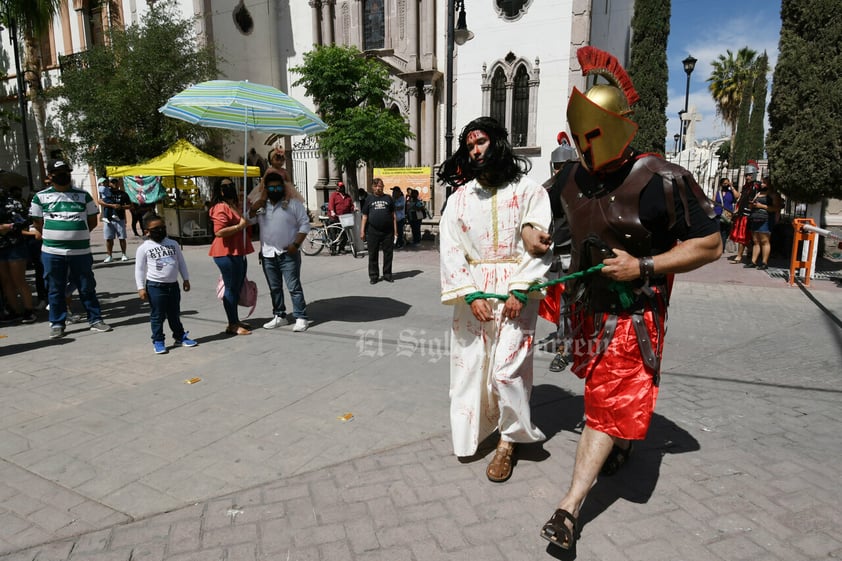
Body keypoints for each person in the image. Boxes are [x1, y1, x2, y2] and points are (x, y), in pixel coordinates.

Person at [523, 47, 720, 551]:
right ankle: (623, 441)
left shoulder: (661, 178)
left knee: (604, 406)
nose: (585, 151)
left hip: (634, 316)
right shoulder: (570, 176)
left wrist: (645, 265)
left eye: (592, 137)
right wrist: (531, 231)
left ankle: (568, 511)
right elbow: (536, 210)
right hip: (584, 310)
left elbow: (711, 244)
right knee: (605, 399)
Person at [438, 116, 552, 484]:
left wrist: (521, 288)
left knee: (506, 370)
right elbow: (451, 248)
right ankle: (476, 430)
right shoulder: (459, 199)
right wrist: (470, 294)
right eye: (470, 146)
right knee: (471, 367)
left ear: (498, 143)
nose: (475, 150)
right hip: (474, 292)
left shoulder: (531, 191)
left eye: (481, 142)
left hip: (519, 289)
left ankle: (509, 440)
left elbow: (540, 243)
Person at [29, 159, 112, 339]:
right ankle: (57, 323)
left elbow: (92, 221)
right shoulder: (40, 197)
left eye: (66, 172)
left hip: (80, 251)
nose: (63, 176)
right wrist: (56, 235)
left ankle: (95, 319)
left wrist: (76, 234)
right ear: (50, 176)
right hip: (52, 252)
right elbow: (37, 222)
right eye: (59, 173)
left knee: (86, 286)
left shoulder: (84, 195)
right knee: (55, 288)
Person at [249, 168, 311, 332]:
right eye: (271, 188)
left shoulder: (293, 204)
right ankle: (279, 315)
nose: (275, 190)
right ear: (266, 189)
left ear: (283, 187)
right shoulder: (262, 206)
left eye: (278, 187)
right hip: (268, 254)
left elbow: (305, 224)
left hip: (288, 253)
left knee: (293, 287)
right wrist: (258, 203)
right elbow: (248, 219)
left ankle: (301, 317)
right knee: (274, 288)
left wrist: (296, 245)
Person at [134, 213, 197, 354]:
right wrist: (140, 288)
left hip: (173, 286)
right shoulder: (144, 248)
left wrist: (185, 279)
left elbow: (181, 262)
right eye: (156, 228)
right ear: (147, 232)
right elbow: (139, 269)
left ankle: (180, 336)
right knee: (158, 315)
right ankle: (158, 340)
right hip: (155, 286)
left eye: (162, 227)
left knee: (174, 313)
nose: (161, 230)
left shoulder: (173, 244)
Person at [208, 177, 254, 335]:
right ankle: (232, 323)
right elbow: (219, 232)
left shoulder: (233, 205)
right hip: (226, 252)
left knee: (237, 286)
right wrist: (239, 226)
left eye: (231, 185)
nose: (229, 188)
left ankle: (234, 320)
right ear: (219, 190)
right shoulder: (220, 207)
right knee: (231, 287)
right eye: (225, 186)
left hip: (238, 250)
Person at [0, 185, 37, 324]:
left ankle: (29, 310)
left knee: (19, 280)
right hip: (1, 247)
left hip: (15, 245)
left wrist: (9, 227)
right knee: (5, 281)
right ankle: (15, 311)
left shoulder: (13, 203)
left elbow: (25, 221)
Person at [360, 178, 396, 284]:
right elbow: (365, 216)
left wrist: (396, 231)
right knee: (373, 254)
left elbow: (393, 216)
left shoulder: (388, 198)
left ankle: (387, 274)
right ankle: (374, 275)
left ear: (383, 186)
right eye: (375, 186)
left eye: (380, 186)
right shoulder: (369, 199)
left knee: (388, 254)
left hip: (387, 232)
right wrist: (362, 231)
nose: (378, 188)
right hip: (373, 232)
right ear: (372, 187)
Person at [745, 176, 782, 270]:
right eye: (761, 182)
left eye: (764, 182)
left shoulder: (773, 195)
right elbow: (752, 205)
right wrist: (751, 205)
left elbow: (776, 208)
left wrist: (761, 206)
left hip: (765, 219)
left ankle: (764, 262)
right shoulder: (758, 194)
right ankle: (753, 261)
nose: (762, 184)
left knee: (764, 241)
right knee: (756, 241)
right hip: (755, 218)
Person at [728, 166, 760, 264]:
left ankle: (739, 256)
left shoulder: (756, 186)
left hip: (749, 214)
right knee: (743, 236)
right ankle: (748, 252)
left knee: (744, 236)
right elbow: (740, 198)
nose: (747, 177)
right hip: (742, 213)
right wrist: (737, 209)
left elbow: (754, 200)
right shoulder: (746, 186)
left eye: (749, 175)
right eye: (746, 175)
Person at [98, 177, 131, 262]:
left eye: (116, 182)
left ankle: (124, 254)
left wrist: (121, 206)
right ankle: (109, 256)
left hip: (120, 219)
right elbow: (100, 201)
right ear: (110, 183)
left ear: (119, 184)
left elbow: (130, 205)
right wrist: (112, 206)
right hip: (108, 219)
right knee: (108, 238)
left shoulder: (123, 194)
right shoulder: (107, 191)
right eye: (113, 182)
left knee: (122, 237)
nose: (115, 184)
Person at [327, 181, 354, 253]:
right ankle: (333, 249)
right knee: (333, 234)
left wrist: (354, 209)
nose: (340, 188)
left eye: (342, 187)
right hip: (334, 217)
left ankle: (341, 248)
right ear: (337, 188)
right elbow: (331, 204)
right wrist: (332, 211)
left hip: (344, 218)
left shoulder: (347, 196)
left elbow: (351, 205)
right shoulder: (334, 195)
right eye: (339, 187)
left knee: (344, 233)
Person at [714, 177, 738, 249]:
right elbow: (713, 202)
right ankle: (716, 247)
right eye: (724, 183)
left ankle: (722, 248)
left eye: (727, 183)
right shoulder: (718, 193)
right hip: (718, 214)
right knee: (717, 231)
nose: (726, 185)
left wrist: (732, 187)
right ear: (721, 184)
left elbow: (737, 196)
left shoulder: (731, 193)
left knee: (724, 232)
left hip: (727, 215)